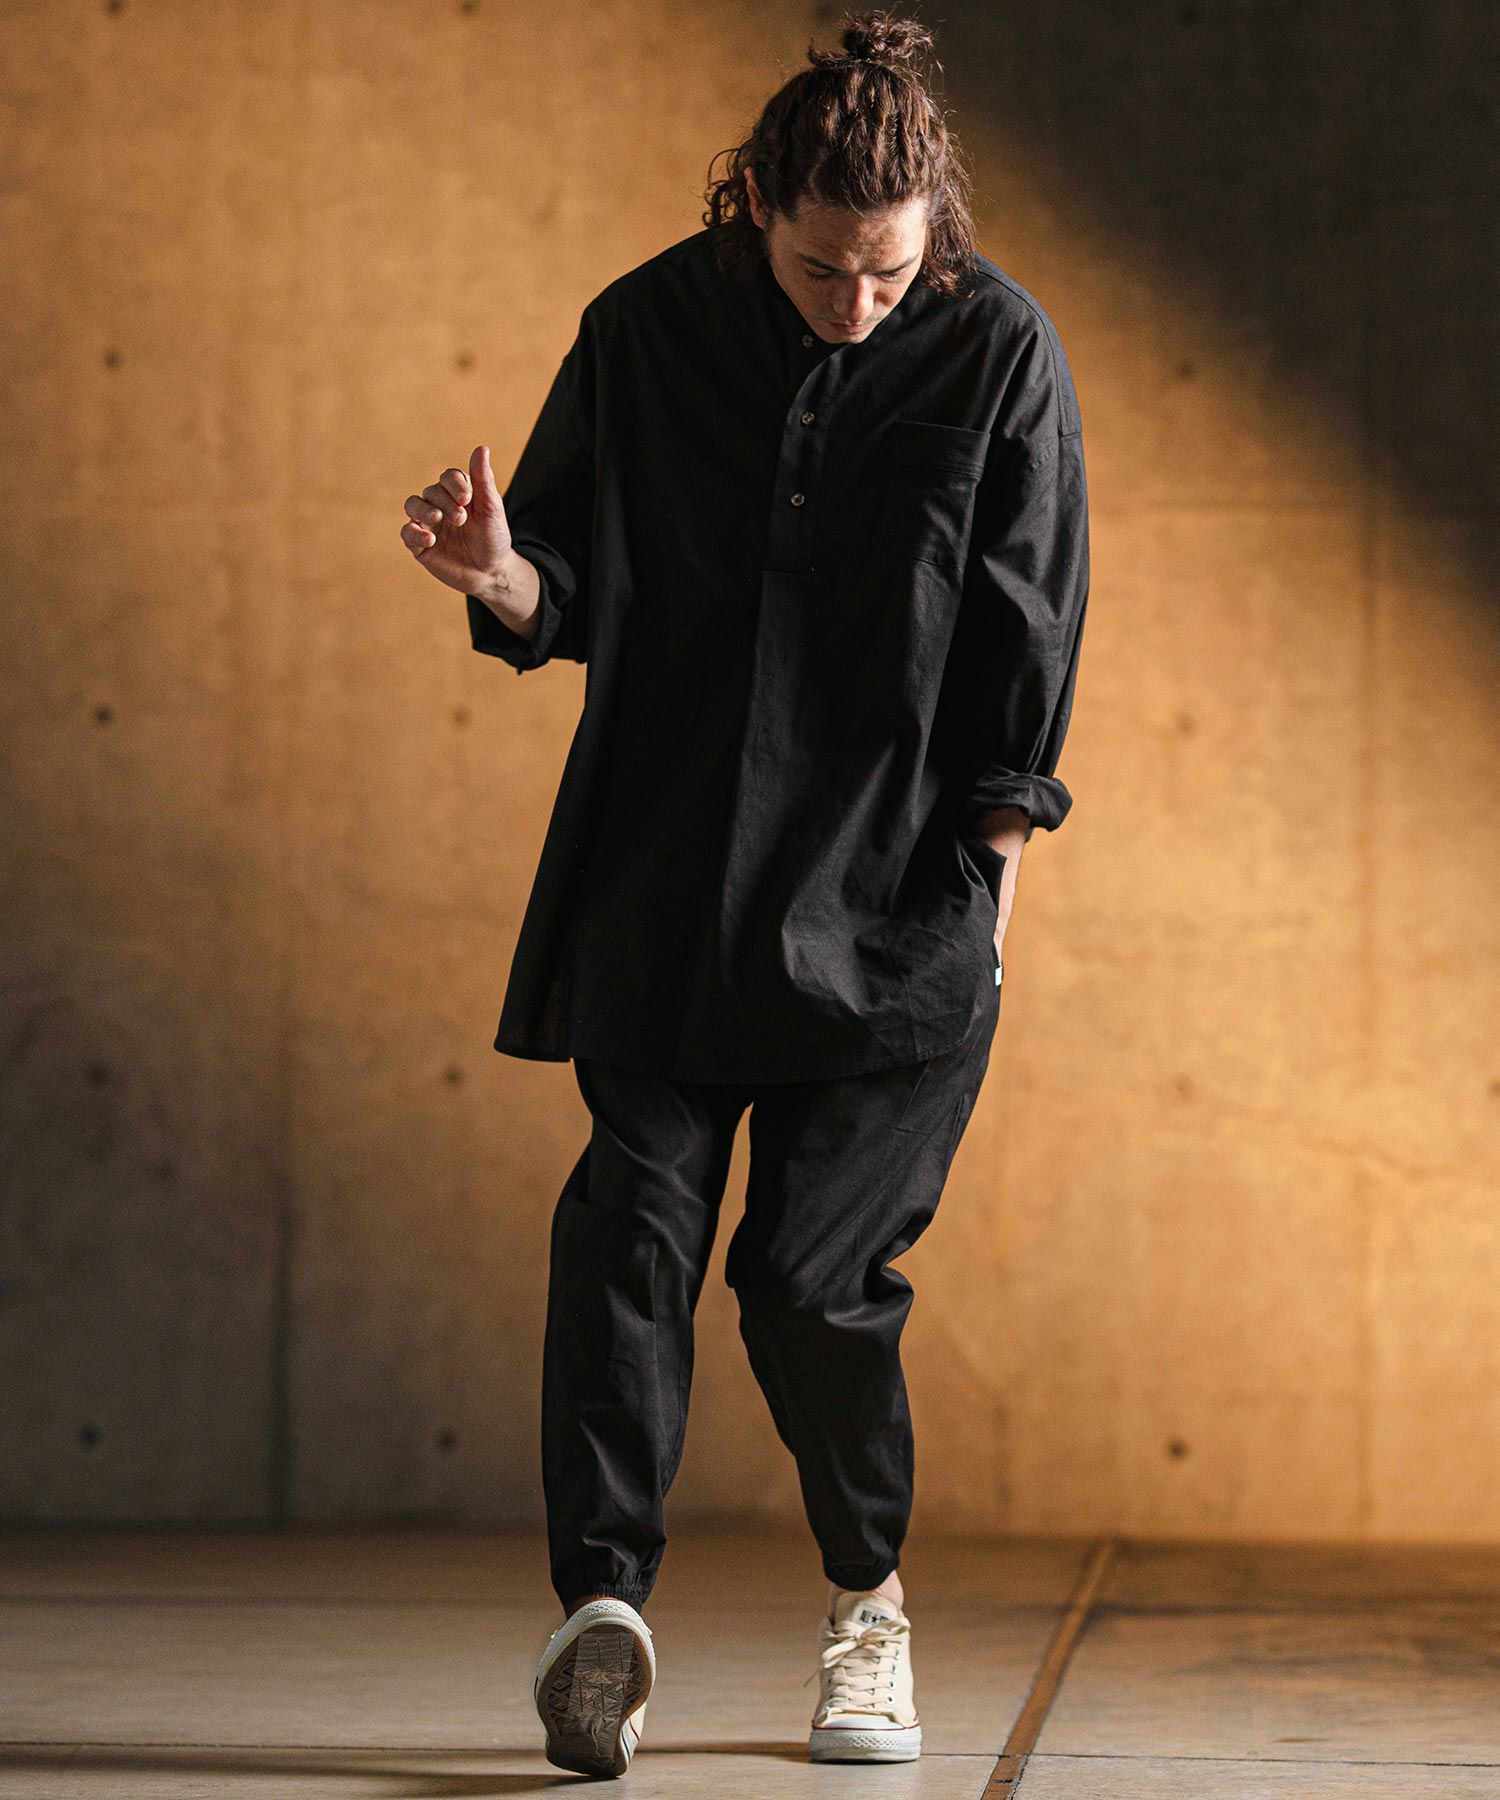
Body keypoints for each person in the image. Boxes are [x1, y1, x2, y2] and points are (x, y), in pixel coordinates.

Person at [400, 9, 1090, 1780]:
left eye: (889, 274)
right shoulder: (643, 329)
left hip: (900, 903)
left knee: (807, 1280)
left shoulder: (1000, 350)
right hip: (669, 878)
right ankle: (601, 1613)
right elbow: (561, 582)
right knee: (627, 1231)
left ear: (934, 233)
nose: (855, 302)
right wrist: (497, 574)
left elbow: (1030, 627)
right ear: (755, 209)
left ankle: (868, 1607)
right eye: (819, 267)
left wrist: (993, 883)